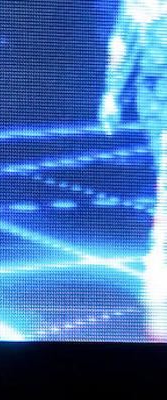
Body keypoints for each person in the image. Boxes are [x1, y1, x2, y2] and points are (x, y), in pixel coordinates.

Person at [99, 0, 167, 340]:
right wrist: (112, 93)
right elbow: (123, 41)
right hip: (160, 94)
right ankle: (161, 251)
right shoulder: (141, 6)